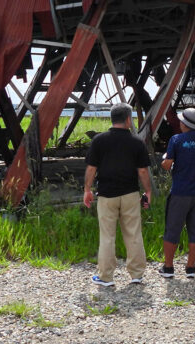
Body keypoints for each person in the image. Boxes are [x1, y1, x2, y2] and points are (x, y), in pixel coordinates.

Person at [83, 102, 154, 286]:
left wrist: (87, 190)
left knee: (107, 236)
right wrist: (147, 191)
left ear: (112, 118)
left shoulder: (99, 140)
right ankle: (137, 274)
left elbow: (91, 168)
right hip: (130, 194)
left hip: (107, 195)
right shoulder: (137, 142)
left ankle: (106, 277)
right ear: (128, 119)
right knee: (133, 234)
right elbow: (143, 172)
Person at [159, 108, 195, 279]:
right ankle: (191, 268)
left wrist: (165, 161)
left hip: (180, 192)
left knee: (173, 229)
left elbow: (168, 164)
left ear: (184, 124)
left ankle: (168, 268)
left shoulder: (176, 139)